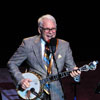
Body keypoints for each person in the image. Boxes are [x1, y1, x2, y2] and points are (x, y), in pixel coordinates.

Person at [7, 14, 81, 100]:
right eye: (47, 29)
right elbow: (12, 63)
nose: (51, 32)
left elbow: (72, 67)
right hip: (33, 92)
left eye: (53, 29)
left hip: (56, 94)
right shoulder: (28, 43)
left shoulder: (64, 45)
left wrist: (76, 74)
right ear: (39, 30)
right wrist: (21, 80)